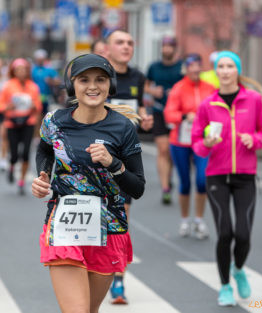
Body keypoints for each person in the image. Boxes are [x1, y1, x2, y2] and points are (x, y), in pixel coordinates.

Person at [32, 53, 145, 313]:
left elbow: (137, 188)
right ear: (73, 85)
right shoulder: (55, 122)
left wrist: (113, 164)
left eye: (100, 79)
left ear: (110, 85)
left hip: (108, 227)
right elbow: (45, 151)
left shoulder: (123, 128)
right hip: (64, 225)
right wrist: (43, 176)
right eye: (84, 80)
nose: (93, 86)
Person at [191, 51, 262, 306]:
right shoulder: (207, 104)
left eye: (230, 66)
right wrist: (207, 142)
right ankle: (225, 285)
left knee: (244, 234)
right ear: (216, 71)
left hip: (245, 175)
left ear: (238, 70)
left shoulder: (254, 99)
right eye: (220, 67)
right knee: (225, 233)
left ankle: (238, 269)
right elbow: (197, 144)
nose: (225, 71)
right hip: (217, 175)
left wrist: (255, 140)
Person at [104, 29, 153, 305]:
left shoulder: (138, 77)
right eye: (120, 42)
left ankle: (118, 279)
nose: (126, 47)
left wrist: (144, 119)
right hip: (95, 156)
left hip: (125, 158)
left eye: (130, 43)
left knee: (121, 221)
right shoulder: (99, 74)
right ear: (107, 48)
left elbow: (138, 108)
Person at [164, 53, 215, 239]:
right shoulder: (178, 88)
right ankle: (185, 220)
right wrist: (185, 116)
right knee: (185, 182)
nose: (195, 70)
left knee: (202, 180)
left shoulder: (209, 88)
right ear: (186, 69)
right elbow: (169, 114)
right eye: (191, 67)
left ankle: (199, 220)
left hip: (202, 140)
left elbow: (217, 110)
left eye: (197, 66)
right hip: (180, 140)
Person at [146, 35, 184, 205]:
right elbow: (145, 85)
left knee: (171, 151)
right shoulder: (154, 67)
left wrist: (176, 93)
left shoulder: (181, 67)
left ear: (175, 49)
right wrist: (153, 92)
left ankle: (168, 178)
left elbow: (189, 85)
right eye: (164, 47)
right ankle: (165, 188)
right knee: (162, 149)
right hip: (159, 111)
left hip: (177, 114)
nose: (166, 49)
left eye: (170, 47)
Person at [0, 58, 41, 195]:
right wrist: (7, 107)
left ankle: (21, 181)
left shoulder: (33, 86)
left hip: (28, 122)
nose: (21, 72)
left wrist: (34, 106)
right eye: (18, 70)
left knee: (26, 153)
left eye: (24, 70)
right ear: (13, 71)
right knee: (14, 153)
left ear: (27, 71)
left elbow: (38, 105)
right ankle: (11, 166)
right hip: (12, 122)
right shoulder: (8, 86)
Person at [32, 49, 60, 115]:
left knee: (45, 115)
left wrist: (51, 81)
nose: (40, 61)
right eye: (38, 59)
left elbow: (58, 81)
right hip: (34, 97)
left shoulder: (49, 69)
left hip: (46, 97)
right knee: (36, 115)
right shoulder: (32, 69)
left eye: (41, 59)